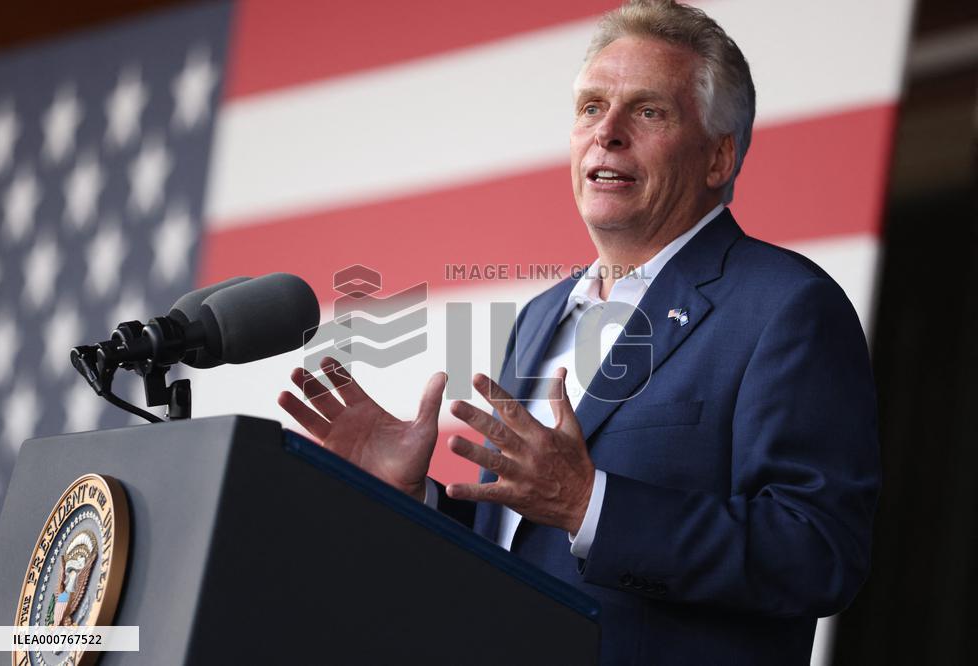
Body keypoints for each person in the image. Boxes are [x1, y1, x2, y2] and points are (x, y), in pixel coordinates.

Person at [278, 1, 880, 663]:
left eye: (648, 111)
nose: (608, 133)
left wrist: (593, 504)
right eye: (591, 108)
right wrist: (413, 496)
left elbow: (818, 553)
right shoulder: (542, 314)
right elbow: (518, 543)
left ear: (717, 157)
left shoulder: (785, 306)